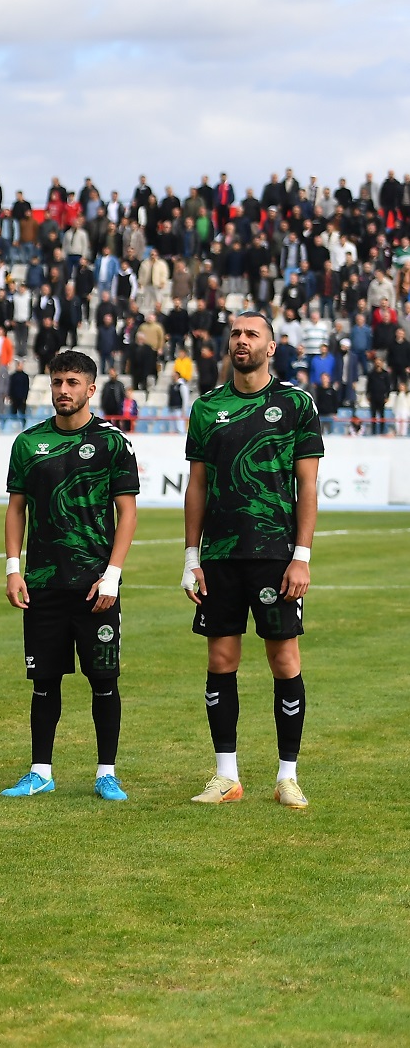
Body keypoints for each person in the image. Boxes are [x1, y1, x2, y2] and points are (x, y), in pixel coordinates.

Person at [182, 311, 322, 808]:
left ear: (272, 347)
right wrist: (190, 556)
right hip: (219, 557)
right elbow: (197, 485)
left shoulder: (294, 404)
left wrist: (301, 557)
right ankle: (227, 776)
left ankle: (288, 775)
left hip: (275, 556)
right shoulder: (207, 408)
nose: (241, 341)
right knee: (221, 660)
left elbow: (308, 483)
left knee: (284, 660)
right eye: (236, 334)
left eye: (251, 335)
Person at [2, 350, 139, 801]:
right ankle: (40, 771)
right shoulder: (28, 443)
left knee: (104, 680)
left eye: (73, 383)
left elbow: (126, 511)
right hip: (42, 583)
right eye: (58, 382)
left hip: (94, 586)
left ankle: (106, 773)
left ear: (90, 389)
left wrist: (113, 574)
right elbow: (16, 508)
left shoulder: (112, 442)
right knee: (44, 682)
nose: (64, 390)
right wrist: (13, 568)